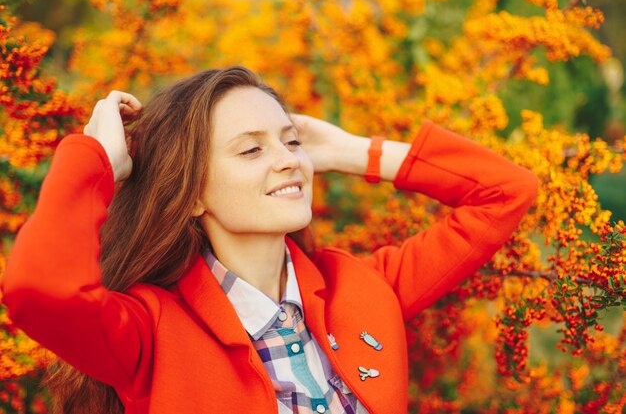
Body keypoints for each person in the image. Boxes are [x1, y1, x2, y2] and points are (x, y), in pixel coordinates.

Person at [1, 66, 538, 414]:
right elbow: (36, 289)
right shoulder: (150, 335)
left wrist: (354, 152)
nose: (288, 159)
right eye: (251, 150)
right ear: (191, 195)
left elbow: (505, 193)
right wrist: (93, 160)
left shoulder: (364, 289)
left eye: (291, 140)